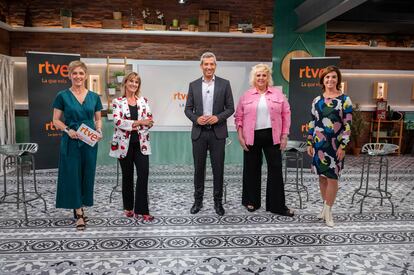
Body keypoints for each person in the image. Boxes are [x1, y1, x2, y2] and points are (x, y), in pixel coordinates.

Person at [234, 63, 294, 217]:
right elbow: (238, 117)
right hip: (251, 136)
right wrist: (240, 136)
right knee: (251, 169)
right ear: (254, 77)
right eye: (258, 75)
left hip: (272, 136)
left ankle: (277, 205)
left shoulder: (277, 95)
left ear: (268, 77)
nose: (261, 78)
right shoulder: (246, 96)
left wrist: (284, 135)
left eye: (264, 75)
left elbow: (286, 115)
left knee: (275, 169)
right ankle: (252, 201)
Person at [52, 60, 103, 230]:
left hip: (89, 141)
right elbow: (55, 120)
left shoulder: (94, 97)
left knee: (87, 173)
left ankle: (81, 203)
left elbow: (98, 118)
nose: (78, 76)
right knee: (73, 174)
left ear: (85, 75)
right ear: (69, 75)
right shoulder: (62, 95)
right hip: (72, 140)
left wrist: (99, 131)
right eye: (75, 73)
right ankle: (79, 213)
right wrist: (67, 130)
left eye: (81, 73)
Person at [184, 52, 234, 216]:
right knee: (199, 169)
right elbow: (187, 109)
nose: (208, 67)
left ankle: (218, 203)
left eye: (211, 64)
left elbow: (230, 108)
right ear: (201, 66)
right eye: (206, 64)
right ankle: (197, 202)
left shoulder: (225, 84)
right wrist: (196, 119)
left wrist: (217, 118)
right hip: (199, 133)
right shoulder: (193, 85)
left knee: (218, 169)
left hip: (217, 133)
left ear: (215, 66)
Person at [306, 65, 352, 227]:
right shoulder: (317, 101)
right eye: (327, 77)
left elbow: (347, 125)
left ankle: (328, 211)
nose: (330, 80)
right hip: (319, 145)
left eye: (333, 77)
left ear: (338, 79)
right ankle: (324, 209)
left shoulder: (345, 100)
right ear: (322, 80)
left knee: (332, 178)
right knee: (322, 178)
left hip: (335, 146)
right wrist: (310, 142)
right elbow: (312, 122)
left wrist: (343, 146)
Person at [109, 72, 154, 221]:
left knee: (143, 174)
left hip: (142, 144)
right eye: (131, 81)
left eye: (136, 82)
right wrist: (140, 123)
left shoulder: (143, 101)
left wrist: (147, 123)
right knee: (127, 176)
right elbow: (118, 122)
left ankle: (142, 210)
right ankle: (128, 207)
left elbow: (150, 120)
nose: (134, 84)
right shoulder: (117, 101)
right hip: (124, 145)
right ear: (125, 83)